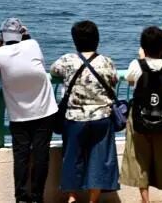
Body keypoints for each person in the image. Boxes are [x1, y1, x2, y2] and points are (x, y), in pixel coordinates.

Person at [0, 18, 57, 203]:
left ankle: (22, 198)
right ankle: (38, 197)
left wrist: (0, 40)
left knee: (21, 158)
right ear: (22, 34)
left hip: (18, 116)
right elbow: (28, 41)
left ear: (3, 35)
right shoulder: (33, 45)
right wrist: (25, 33)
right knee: (41, 156)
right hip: (45, 111)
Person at [50, 20, 119, 203]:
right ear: (97, 39)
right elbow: (114, 80)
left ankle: (72, 197)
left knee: (72, 158)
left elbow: (53, 71)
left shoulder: (67, 60)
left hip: (74, 117)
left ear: (75, 40)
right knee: (99, 159)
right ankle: (93, 200)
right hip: (102, 117)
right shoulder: (107, 61)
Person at [120, 26, 162, 203]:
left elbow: (130, 79)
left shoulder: (136, 64)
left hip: (139, 117)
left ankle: (145, 199)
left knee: (140, 158)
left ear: (143, 47)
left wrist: (141, 59)